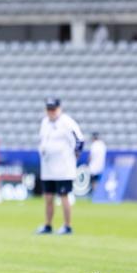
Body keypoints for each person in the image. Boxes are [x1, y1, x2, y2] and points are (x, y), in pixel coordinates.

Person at [37, 98, 83, 235]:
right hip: (47, 167)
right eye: (48, 109)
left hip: (63, 168)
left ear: (59, 109)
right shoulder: (44, 122)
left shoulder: (67, 122)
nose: (51, 112)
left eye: (53, 109)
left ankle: (67, 225)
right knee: (48, 197)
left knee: (64, 196)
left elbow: (79, 140)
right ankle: (48, 224)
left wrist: (75, 156)